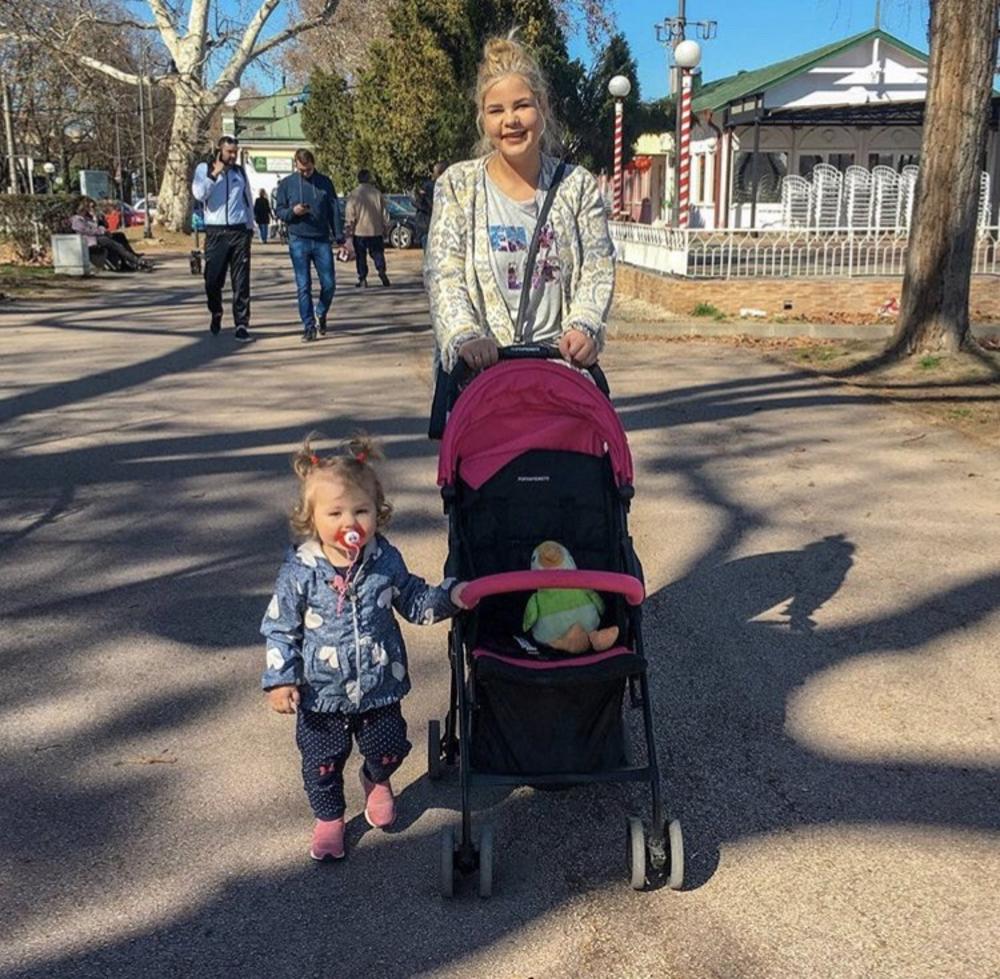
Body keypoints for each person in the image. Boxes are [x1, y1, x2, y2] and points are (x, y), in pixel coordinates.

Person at [260, 433, 468, 862]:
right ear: (311, 518)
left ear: (378, 512)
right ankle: (329, 818)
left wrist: (450, 597)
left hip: (380, 685)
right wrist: (281, 680)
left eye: (360, 511)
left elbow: (413, 599)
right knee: (322, 763)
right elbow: (281, 626)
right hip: (320, 693)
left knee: (389, 748)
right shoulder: (301, 570)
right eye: (334, 513)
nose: (349, 522)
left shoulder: (384, 560)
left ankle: (377, 777)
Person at [424, 34, 614, 376]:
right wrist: (465, 336)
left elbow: (597, 266)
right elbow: (444, 274)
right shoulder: (458, 186)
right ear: (483, 118)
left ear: (543, 107)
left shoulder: (577, 186)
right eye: (496, 110)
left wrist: (584, 326)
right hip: (482, 377)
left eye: (522, 105)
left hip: (558, 374)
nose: (510, 120)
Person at [191, 135, 255, 342]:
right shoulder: (204, 169)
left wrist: (250, 226)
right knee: (212, 280)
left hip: (239, 232)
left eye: (235, 152)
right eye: (229, 152)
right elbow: (199, 194)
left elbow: (247, 199)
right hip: (216, 232)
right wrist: (214, 174)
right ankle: (216, 311)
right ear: (219, 150)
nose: (233, 156)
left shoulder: (239, 172)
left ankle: (241, 324)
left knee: (241, 280)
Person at [274, 149, 342, 342]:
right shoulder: (287, 184)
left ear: (314, 164)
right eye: (302, 170)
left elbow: (334, 210)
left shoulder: (325, 183)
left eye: (309, 169)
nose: (305, 173)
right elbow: (279, 211)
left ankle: (321, 311)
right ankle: (309, 326)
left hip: (321, 239)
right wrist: (293, 212)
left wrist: (340, 238)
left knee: (329, 284)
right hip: (298, 239)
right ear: (296, 165)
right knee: (303, 286)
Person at [69, 199, 153, 273]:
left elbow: (101, 226)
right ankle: (137, 261)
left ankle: (127, 260)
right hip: (91, 240)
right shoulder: (76, 220)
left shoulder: (88, 218)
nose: (88, 210)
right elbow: (88, 231)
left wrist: (97, 219)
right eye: (87, 208)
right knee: (116, 245)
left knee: (119, 236)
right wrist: (103, 231)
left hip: (98, 237)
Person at [344, 169, 391, 288]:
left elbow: (350, 215)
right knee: (378, 253)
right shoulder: (377, 193)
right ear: (369, 179)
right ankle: (381, 270)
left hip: (360, 231)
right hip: (375, 230)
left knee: (361, 256)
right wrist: (385, 227)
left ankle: (363, 278)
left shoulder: (354, 194)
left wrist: (349, 231)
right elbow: (384, 213)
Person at [413, 161, 447, 248]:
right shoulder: (449, 186)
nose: (433, 174)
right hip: (437, 225)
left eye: (434, 172)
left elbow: (417, 202)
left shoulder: (428, 186)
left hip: (427, 224)